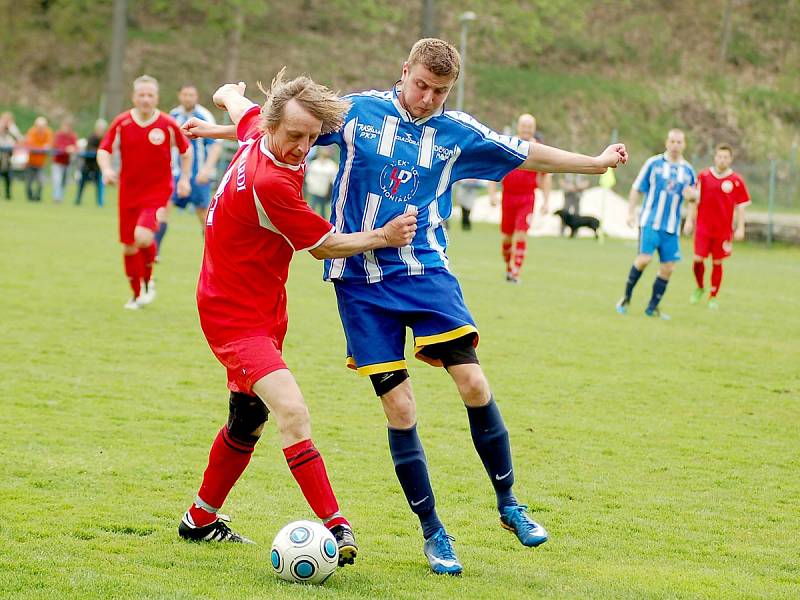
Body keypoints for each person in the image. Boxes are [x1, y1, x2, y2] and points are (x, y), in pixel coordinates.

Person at [177, 74, 417, 566]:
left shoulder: (255, 135)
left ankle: (199, 520)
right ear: (273, 124)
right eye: (295, 136)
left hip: (262, 307)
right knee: (292, 412)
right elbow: (325, 246)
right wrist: (384, 236)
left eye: (312, 137)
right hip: (234, 316)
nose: (303, 147)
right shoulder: (270, 183)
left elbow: (231, 100)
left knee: (248, 419)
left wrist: (220, 99)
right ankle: (337, 525)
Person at [97, 75, 192, 309]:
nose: (146, 99)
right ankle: (136, 294)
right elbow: (104, 149)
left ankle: (149, 282)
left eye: (150, 95)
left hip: (158, 191)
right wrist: (107, 170)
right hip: (128, 192)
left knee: (143, 236)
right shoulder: (122, 122)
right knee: (129, 245)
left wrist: (185, 180)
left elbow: (186, 151)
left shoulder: (167, 124)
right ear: (134, 97)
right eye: (142, 95)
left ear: (157, 98)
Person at [616, 129, 696, 320]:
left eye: (679, 142)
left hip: (671, 227)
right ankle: (626, 298)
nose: (675, 145)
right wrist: (630, 212)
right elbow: (637, 188)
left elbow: (693, 197)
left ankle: (652, 308)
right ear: (666, 142)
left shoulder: (688, 171)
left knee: (668, 268)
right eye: (672, 141)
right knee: (644, 259)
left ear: (684, 145)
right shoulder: (653, 163)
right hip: (650, 221)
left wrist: (690, 219)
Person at [154, 84, 223, 255]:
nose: (188, 98)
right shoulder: (173, 116)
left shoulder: (204, 116)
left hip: (198, 175)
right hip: (174, 175)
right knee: (163, 209)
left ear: (196, 97)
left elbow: (215, 146)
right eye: (185, 94)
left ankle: (213, 255)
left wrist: (206, 170)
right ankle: (155, 252)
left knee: (204, 216)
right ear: (179, 96)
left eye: (191, 95)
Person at [683, 144, 750, 309]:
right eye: (720, 156)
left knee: (717, 262)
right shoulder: (704, 176)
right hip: (703, 228)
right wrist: (689, 221)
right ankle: (699, 287)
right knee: (698, 260)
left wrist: (741, 227)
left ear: (730, 159)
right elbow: (693, 200)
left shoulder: (736, 180)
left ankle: (713, 296)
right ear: (715, 157)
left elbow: (741, 206)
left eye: (726, 157)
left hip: (723, 230)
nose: (722, 160)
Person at [488, 114, 552, 283]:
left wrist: (546, 201)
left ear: (534, 128)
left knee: (521, 234)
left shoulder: (538, 148)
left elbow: (545, 176)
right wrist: (492, 193)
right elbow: (494, 168)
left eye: (530, 126)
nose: (527, 129)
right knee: (507, 238)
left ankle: (515, 272)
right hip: (508, 197)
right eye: (524, 126)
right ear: (518, 126)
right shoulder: (508, 145)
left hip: (527, 198)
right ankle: (509, 267)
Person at [75, 119, 107, 207]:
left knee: (99, 185)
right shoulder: (91, 137)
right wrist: (98, 151)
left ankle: (100, 202)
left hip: (98, 166)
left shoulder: (105, 138)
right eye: (99, 128)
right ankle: (78, 200)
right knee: (82, 184)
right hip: (88, 165)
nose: (100, 130)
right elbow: (89, 149)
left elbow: (105, 149)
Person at [24, 116, 53, 202]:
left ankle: (37, 197)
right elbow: (31, 144)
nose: (41, 128)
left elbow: (49, 144)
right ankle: (30, 197)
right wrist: (41, 148)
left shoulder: (48, 132)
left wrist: (43, 148)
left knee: (41, 182)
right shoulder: (32, 132)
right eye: (39, 126)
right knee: (29, 182)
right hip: (30, 162)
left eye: (43, 126)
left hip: (41, 163)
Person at [304, 146, 337, 218]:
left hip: (324, 192)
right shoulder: (314, 163)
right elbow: (309, 177)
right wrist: (311, 186)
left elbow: (333, 179)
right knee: (312, 207)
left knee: (323, 210)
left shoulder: (331, 165)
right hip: (314, 191)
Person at [51, 117, 78, 203]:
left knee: (64, 182)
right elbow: (57, 146)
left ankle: (60, 197)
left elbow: (76, 147)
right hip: (58, 162)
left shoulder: (73, 136)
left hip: (67, 162)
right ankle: (56, 198)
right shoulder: (58, 135)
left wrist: (73, 148)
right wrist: (66, 149)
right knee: (57, 180)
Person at [0, 111, 22, 200]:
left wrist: (11, 128)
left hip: (7, 156)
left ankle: (8, 194)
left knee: (7, 176)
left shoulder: (12, 129)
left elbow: (19, 138)